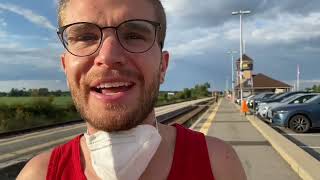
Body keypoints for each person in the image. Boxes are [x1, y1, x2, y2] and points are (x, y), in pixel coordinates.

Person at [17, 0, 246, 179]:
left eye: (134, 35)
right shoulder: (37, 175)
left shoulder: (218, 164)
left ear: (162, 66)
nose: (108, 57)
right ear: (66, 67)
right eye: (85, 37)